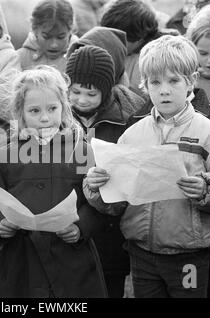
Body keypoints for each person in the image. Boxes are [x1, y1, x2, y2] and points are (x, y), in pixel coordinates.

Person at [84, 35, 210, 298]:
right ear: (145, 85)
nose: (164, 90)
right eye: (155, 82)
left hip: (189, 254)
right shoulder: (133, 134)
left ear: (191, 81)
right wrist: (97, 187)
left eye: (173, 81)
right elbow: (116, 200)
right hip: (142, 252)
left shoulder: (209, 132)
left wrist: (205, 188)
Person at [0, 65, 107, 298]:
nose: (45, 117)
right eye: (35, 111)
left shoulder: (81, 150)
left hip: (72, 262)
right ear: (20, 113)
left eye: (52, 108)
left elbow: (98, 201)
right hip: (22, 262)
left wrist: (81, 228)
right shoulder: (5, 153)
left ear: (64, 107)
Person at [65, 44, 136, 297]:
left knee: (108, 287)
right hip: (66, 223)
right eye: (75, 91)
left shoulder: (124, 122)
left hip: (109, 232)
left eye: (91, 94)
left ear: (106, 92)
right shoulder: (58, 119)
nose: (82, 100)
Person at [17, 0, 76, 72]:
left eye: (61, 37)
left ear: (70, 30)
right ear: (34, 29)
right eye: (46, 37)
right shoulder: (20, 58)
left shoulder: (78, 58)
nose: (54, 45)